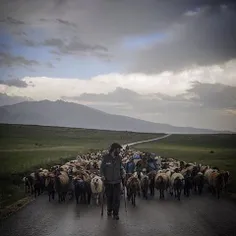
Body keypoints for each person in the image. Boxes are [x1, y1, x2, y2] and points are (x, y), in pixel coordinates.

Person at [100, 143, 126, 220]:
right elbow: (102, 168)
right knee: (109, 197)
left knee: (117, 198)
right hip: (108, 182)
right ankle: (109, 209)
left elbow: (121, 167)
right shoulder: (106, 158)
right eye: (118, 149)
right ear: (114, 149)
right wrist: (102, 175)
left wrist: (123, 172)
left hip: (117, 181)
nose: (119, 151)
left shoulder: (119, 158)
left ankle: (116, 214)